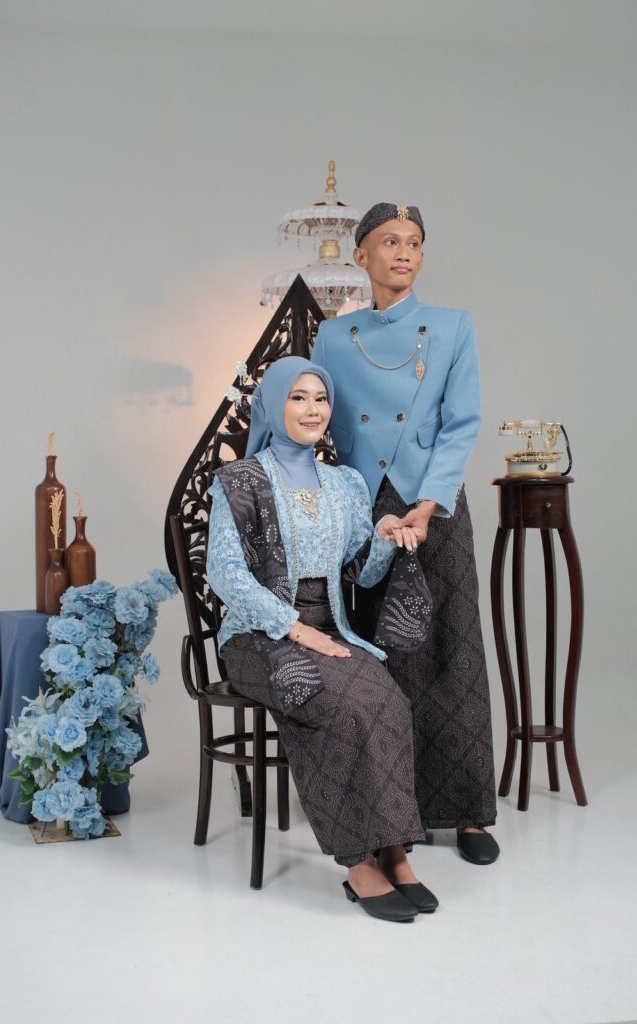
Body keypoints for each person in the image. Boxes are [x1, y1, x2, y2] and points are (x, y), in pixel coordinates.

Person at [207, 356, 437, 921]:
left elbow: (360, 571)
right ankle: (359, 862)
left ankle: (394, 851)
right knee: (330, 702)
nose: (313, 410)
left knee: (387, 699)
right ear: (273, 405)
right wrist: (294, 628)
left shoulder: (344, 483)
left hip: (330, 627)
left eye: (321, 399)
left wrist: (384, 537)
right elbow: (224, 573)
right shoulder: (240, 482)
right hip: (259, 635)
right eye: (298, 398)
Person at [311, 203, 499, 865]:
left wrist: (429, 500)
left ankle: (468, 813)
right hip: (369, 508)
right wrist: (347, 503)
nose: (404, 253)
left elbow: (462, 421)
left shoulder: (452, 326)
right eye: (389, 242)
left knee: (452, 645)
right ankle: (392, 814)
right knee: (380, 651)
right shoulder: (335, 337)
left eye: (414, 242)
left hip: (434, 504)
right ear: (361, 256)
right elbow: (321, 426)